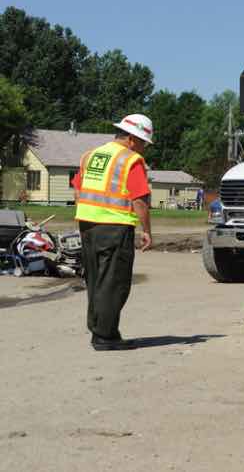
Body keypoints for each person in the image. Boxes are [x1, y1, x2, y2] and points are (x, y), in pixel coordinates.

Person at [72, 114, 154, 351]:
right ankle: (105, 336)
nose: (144, 148)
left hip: (87, 226)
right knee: (114, 282)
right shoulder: (131, 160)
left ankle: (100, 328)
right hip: (115, 227)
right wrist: (146, 230)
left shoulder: (92, 155)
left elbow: (78, 190)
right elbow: (139, 199)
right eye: (143, 142)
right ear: (131, 139)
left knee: (96, 280)